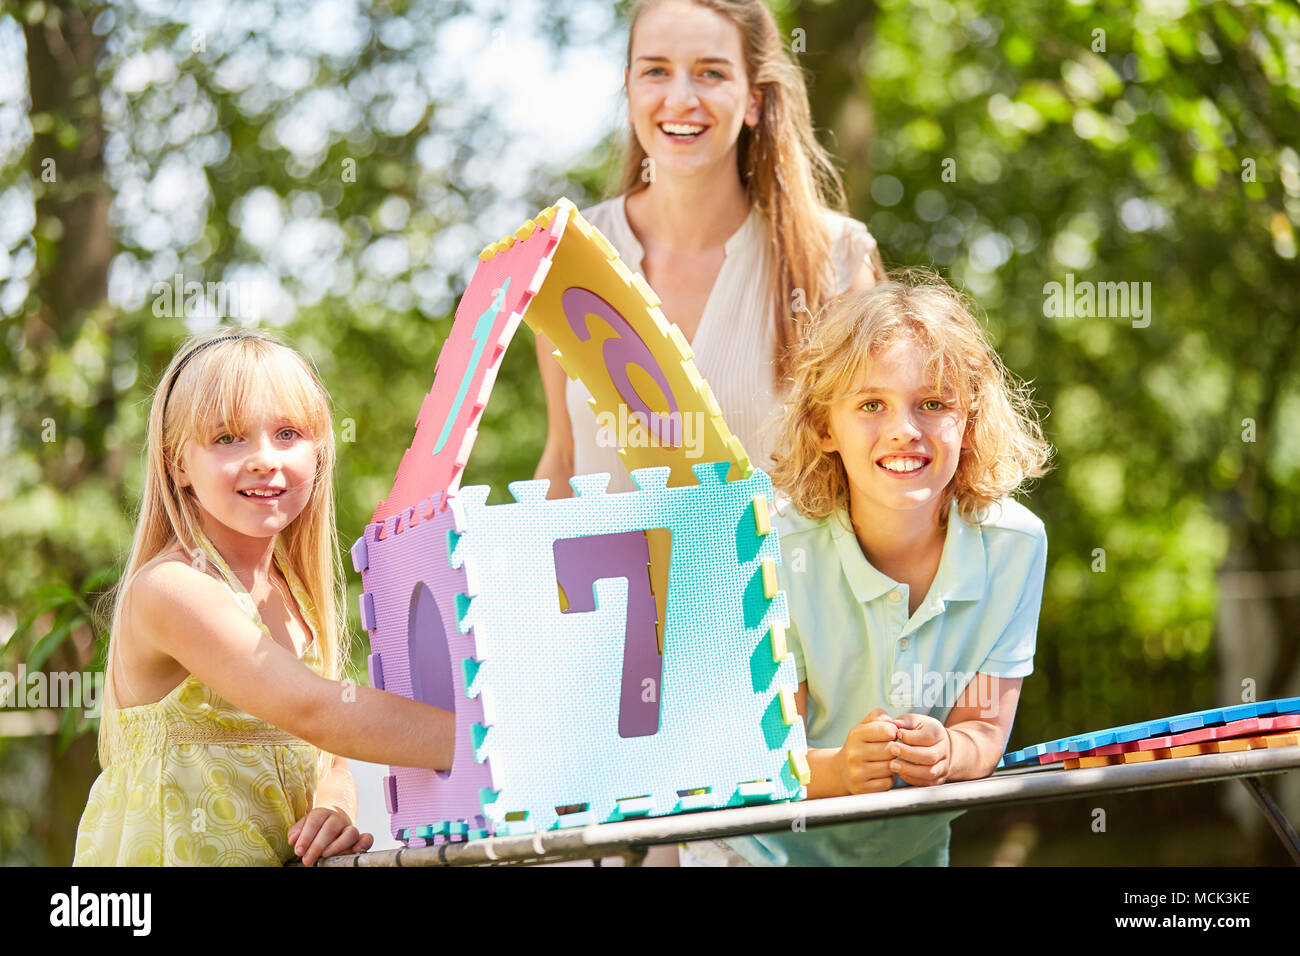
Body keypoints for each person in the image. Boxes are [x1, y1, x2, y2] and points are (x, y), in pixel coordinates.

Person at [692, 270, 1054, 866]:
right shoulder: (774, 549)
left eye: (933, 403)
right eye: (871, 404)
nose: (904, 430)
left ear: (970, 418)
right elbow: (759, 761)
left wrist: (948, 751)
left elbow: (983, 731)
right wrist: (841, 768)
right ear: (824, 426)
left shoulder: (1015, 545)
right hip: (757, 853)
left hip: (909, 853)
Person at [72, 328, 454, 866]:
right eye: (228, 438)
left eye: (288, 434)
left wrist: (335, 807)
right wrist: (489, 740)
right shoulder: (173, 589)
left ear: (318, 454)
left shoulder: (298, 598)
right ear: (179, 464)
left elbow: (331, 760)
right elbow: (315, 710)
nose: (263, 459)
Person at [534, 0, 885, 496]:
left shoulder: (836, 259)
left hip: (778, 575)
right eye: (656, 70)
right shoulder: (563, 255)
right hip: (608, 576)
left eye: (711, 73)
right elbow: (563, 457)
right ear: (630, 88)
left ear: (754, 101)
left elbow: (870, 478)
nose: (680, 98)